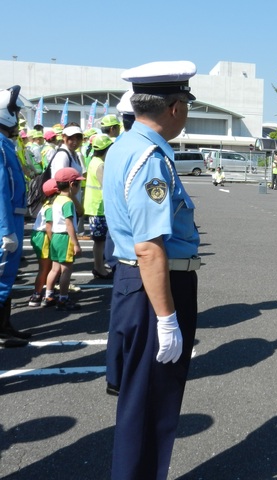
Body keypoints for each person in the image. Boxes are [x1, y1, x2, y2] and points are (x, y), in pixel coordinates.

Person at [102, 60, 200, 480]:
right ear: (176, 107)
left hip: (135, 284)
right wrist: (167, 318)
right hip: (156, 286)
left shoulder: (124, 145)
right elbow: (149, 247)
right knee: (150, 406)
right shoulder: (151, 158)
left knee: (141, 402)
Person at [0, 85, 30, 347]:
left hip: (12, 216)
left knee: (7, 276)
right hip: (6, 219)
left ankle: (4, 326)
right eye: (15, 110)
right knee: (1, 275)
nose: (18, 116)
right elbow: (0, 188)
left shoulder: (4, 143)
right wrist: (5, 229)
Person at [42, 167, 84, 311]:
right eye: (78, 184)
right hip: (65, 237)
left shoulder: (56, 200)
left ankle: (48, 296)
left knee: (55, 269)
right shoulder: (68, 202)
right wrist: (76, 243)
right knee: (66, 270)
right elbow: (69, 223)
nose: (79, 187)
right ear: (72, 184)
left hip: (55, 236)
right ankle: (63, 298)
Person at [84, 134, 114, 279]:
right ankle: (99, 268)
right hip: (98, 208)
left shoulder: (94, 161)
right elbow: (107, 186)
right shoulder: (100, 165)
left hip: (94, 206)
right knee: (100, 241)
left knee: (100, 240)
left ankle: (99, 266)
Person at [28, 179, 58, 307]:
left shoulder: (45, 204)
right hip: (43, 236)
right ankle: (37, 295)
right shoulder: (51, 207)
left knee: (47, 268)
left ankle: (43, 292)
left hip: (38, 235)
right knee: (44, 268)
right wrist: (54, 243)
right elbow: (49, 226)